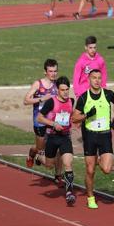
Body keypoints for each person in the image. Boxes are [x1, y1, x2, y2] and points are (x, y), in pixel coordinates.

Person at [72, 70, 114, 209]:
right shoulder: (83, 98)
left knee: (106, 169)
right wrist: (87, 115)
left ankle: (99, 159)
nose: (97, 80)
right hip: (90, 136)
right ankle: (90, 197)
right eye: (94, 78)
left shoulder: (108, 94)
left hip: (105, 135)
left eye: (99, 78)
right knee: (90, 170)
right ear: (89, 79)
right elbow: (74, 118)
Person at [36, 76, 77, 205]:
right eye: (62, 90)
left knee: (68, 164)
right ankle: (39, 157)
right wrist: (53, 124)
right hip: (52, 137)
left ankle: (69, 192)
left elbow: (72, 115)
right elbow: (39, 118)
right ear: (57, 90)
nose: (65, 92)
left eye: (67, 89)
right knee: (49, 165)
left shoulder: (71, 100)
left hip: (65, 137)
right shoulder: (51, 102)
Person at [23, 59, 60, 180]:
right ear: (45, 72)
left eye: (55, 71)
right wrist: (42, 99)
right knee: (40, 149)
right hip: (39, 122)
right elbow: (26, 100)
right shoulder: (38, 84)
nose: (53, 74)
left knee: (57, 149)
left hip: (52, 122)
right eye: (51, 71)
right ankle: (33, 155)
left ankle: (58, 175)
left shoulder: (57, 85)